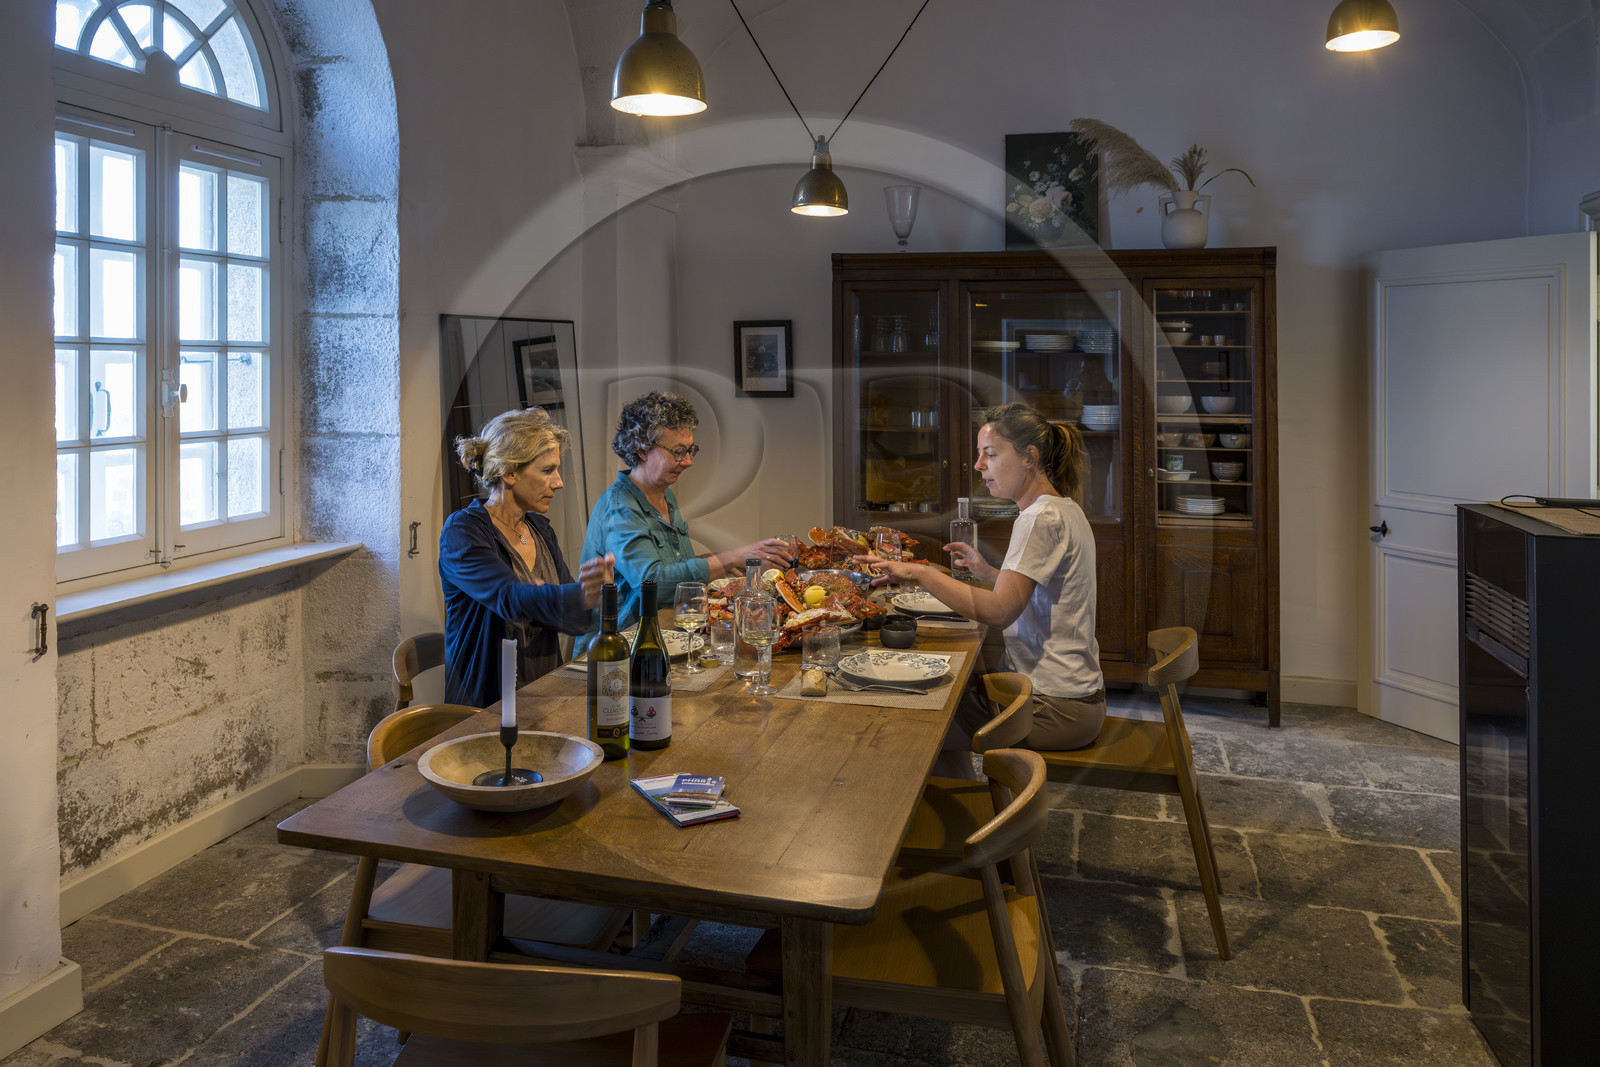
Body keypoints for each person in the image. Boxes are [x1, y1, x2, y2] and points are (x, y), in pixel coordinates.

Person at [857, 402, 1105, 753]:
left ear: (1029, 457)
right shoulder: (1063, 508)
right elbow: (1038, 593)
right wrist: (987, 571)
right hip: (1076, 701)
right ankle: (969, 794)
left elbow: (1000, 611)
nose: (978, 465)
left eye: (990, 454)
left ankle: (965, 803)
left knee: (927, 708)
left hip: (1055, 711)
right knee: (958, 684)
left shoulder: (1038, 519)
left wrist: (920, 572)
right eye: (979, 454)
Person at [580, 391, 792, 639]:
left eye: (691, 450)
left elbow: (674, 569)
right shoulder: (620, 507)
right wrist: (731, 556)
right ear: (641, 450)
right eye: (678, 452)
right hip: (621, 647)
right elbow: (653, 585)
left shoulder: (664, 494)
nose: (688, 461)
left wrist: (731, 562)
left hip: (665, 634)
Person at [439, 407, 614, 708]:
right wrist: (579, 595)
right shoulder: (463, 531)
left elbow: (571, 613)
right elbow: (509, 598)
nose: (558, 482)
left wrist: (592, 596)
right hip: (486, 707)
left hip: (542, 695)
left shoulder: (540, 529)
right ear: (509, 472)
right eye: (547, 470)